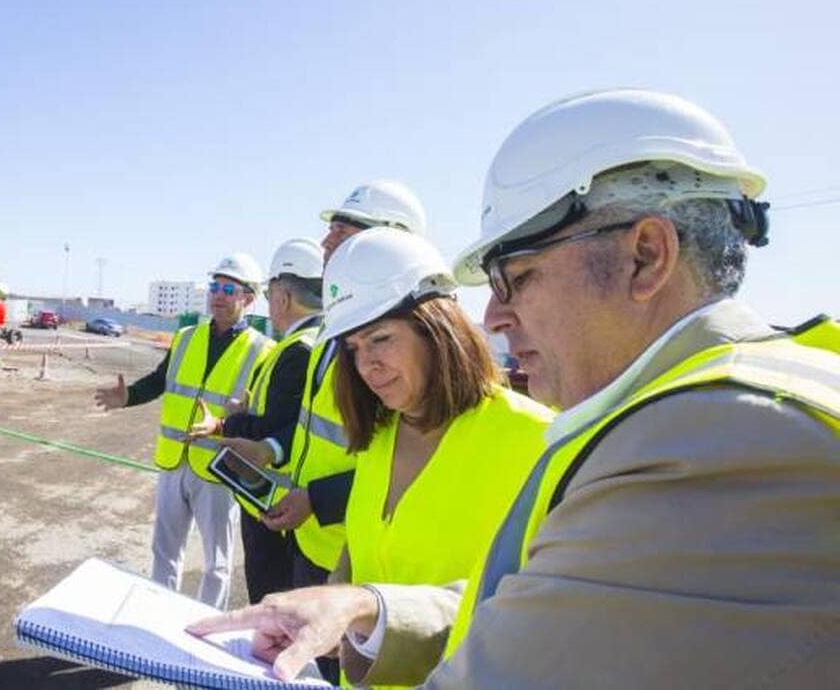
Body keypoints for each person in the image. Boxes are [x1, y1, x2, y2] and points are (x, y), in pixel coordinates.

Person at [190, 88, 839, 687]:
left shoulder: (722, 440)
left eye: (518, 277)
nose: (495, 318)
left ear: (646, 255)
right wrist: (366, 604)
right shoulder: (680, 417)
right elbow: (533, 602)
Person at [319, 227, 553, 688]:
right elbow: (362, 546)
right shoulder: (380, 435)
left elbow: (540, 611)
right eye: (354, 348)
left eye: (381, 339)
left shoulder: (538, 439)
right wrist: (332, 600)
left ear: (438, 327)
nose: (367, 365)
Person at [244, 181, 431, 594]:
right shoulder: (333, 329)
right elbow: (314, 426)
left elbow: (414, 461)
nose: (326, 242)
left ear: (388, 242)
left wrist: (317, 499)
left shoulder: (407, 344)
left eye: (342, 232)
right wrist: (270, 450)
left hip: (353, 558)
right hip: (309, 540)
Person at [95, 253, 273, 610]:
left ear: (248, 298)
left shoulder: (263, 350)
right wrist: (127, 396)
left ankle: (205, 627)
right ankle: (158, 620)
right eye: (214, 287)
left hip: (220, 469)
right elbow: (161, 381)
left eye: (228, 289)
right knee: (164, 552)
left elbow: (264, 413)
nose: (218, 295)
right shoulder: (187, 337)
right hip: (174, 462)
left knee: (216, 563)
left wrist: (245, 420)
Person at [188, 238, 325, 604]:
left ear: (281, 297)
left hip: (275, 509)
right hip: (287, 506)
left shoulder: (298, 350)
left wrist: (233, 422)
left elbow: (277, 429)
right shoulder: (315, 341)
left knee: (270, 611)